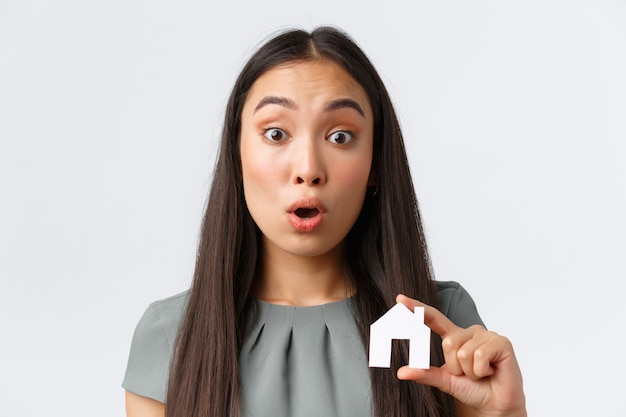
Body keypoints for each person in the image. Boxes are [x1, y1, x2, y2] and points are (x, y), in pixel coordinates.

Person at [122, 26, 526, 417]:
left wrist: (505, 415)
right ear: (236, 157)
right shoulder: (169, 336)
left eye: (340, 137)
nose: (309, 169)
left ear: (375, 164)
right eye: (277, 133)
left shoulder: (443, 325)